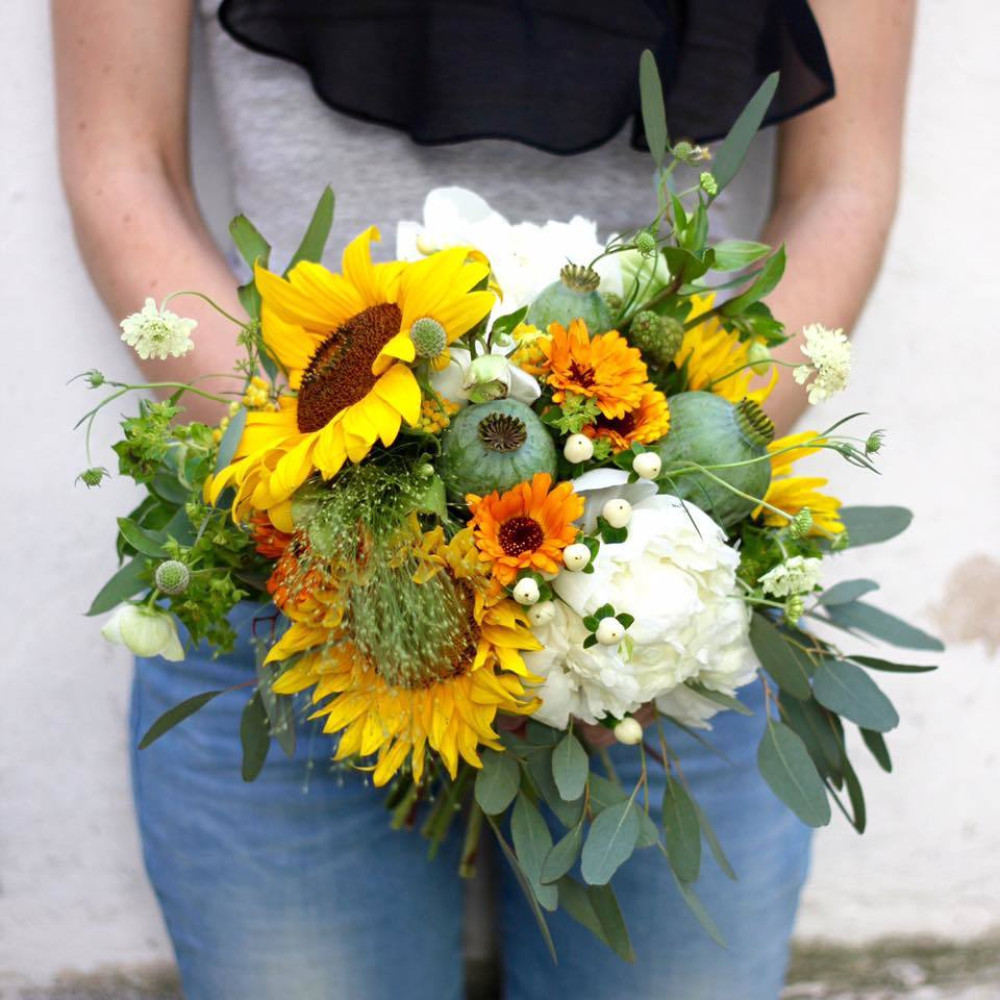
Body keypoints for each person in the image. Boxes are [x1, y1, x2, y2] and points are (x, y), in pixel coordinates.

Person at [52, 2, 914, 998]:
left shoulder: (649, 571)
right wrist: (321, 485)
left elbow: (842, 184)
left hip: (656, 600)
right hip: (289, 575)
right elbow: (125, 166)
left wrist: (648, 520)